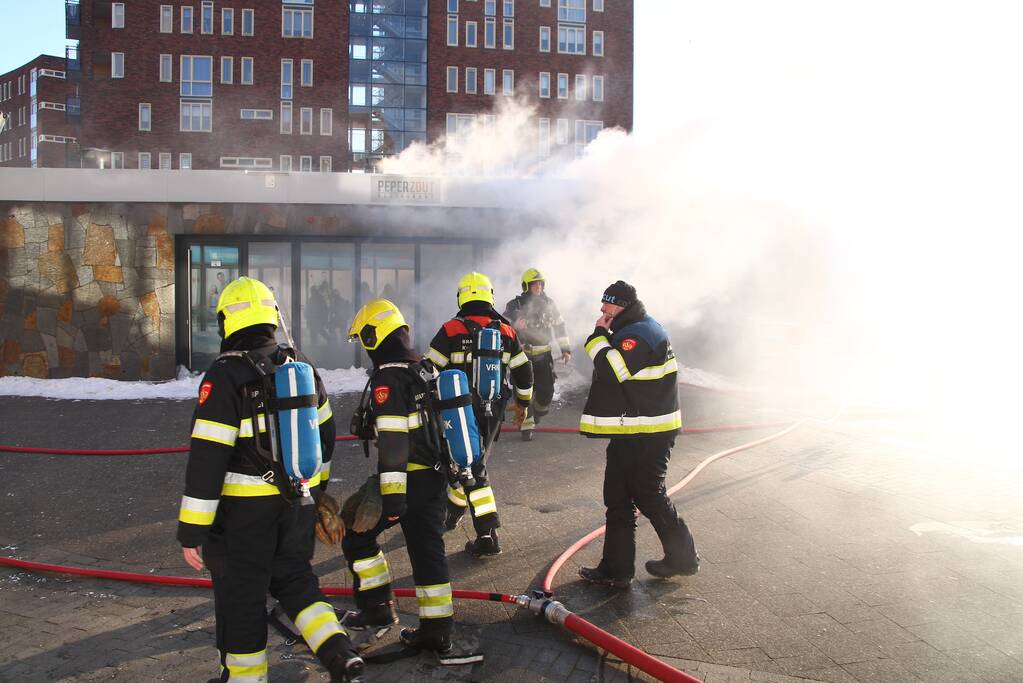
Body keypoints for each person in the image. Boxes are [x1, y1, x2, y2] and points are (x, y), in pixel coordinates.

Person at [176, 276, 364, 682]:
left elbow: (208, 457)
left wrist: (192, 530)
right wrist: (316, 496)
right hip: (296, 504)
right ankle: (341, 654)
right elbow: (326, 440)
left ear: (227, 321)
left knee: (241, 597)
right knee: (297, 582)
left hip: (242, 518)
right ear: (272, 316)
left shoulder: (224, 375)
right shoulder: (303, 368)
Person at [342, 299, 483, 665]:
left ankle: (377, 609)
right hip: (433, 478)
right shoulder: (421, 368)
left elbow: (394, 443)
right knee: (426, 552)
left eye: (365, 338)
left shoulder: (388, 378)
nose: (364, 346)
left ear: (375, 335)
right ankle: (436, 630)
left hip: (406, 481)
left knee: (356, 533)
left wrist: (392, 500)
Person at [578, 280, 700, 588]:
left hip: (651, 433)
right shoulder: (633, 328)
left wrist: (597, 337)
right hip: (632, 429)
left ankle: (683, 559)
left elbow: (613, 370)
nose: (602, 309)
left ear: (622, 307)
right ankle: (617, 569)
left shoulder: (639, 334)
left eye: (607, 304)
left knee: (649, 495)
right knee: (617, 497)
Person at [424, 272, 534, 557]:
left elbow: (428, 370)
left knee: (470, 464)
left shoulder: (450, 329)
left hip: (455, 408)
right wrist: (523, 405)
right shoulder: (506, 331)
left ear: (462, 297)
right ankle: (454, 513)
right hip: (492, 410)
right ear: (490, 296)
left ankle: (487, 535)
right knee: (474, 461)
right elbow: (524, 371)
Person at [502, 268, 572, 441]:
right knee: (523, 390)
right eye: (534, 284)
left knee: (546, 392)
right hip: (522, 356)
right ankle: (527, 426)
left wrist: (565, 349)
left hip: (543, 356)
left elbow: (560, 326)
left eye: (540, 283)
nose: (538, 287)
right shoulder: (514, 305)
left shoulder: (549, 304)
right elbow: (502, 325)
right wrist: (514, 326)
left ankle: (537, 414)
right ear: (526, 286)